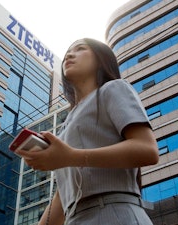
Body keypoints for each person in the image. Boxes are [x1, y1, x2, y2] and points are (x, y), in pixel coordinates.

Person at [15, 38, 159, 225]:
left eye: (80, 49)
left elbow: (147, 149)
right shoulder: (65, 124)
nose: (69, 55)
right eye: (68, 52)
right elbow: (64, 195)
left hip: (115, 214)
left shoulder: (113, 88)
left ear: (100, 60)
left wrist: (71, 156)